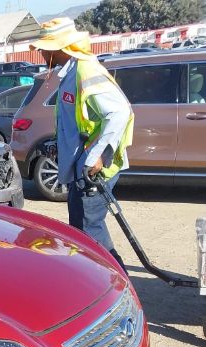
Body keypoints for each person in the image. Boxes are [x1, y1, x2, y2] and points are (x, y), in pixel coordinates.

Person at [30, 17, 134, 269]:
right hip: (81, 169)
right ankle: (94, 277)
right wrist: (59, 144)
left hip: (94, 170)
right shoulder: (70, 73)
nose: (42, 52)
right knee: (80, 230)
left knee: (89, 232)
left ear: (59, 48)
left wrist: (98, 156)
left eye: (45, 47)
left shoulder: (86, 71)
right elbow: (75, 120)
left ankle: (115, 280)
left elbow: (119, 112)